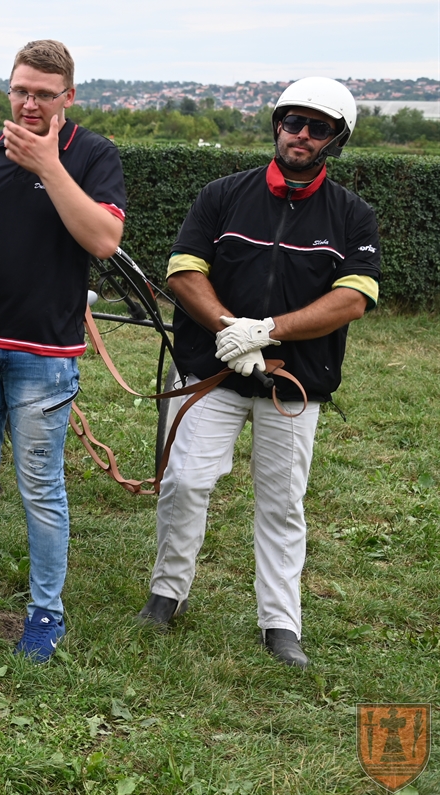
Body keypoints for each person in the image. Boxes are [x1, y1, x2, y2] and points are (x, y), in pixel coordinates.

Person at [138, 77, 379, 668]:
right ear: (277, 125)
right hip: (213, 372)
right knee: (185, 482)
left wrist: (266, 331)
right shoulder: (222, 195)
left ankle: (280, 623)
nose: (301, 134)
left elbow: (352, 299)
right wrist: (230, 331)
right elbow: (184, 272)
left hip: (293, 385)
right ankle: (167, 592)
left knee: (281, 504)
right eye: (293, 122)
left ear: (335, 140)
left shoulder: (353, 215)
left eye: (317, 128)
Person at [0, 40, 127, 662]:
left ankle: (45, 612)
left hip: (45, 354)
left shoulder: (93, 155)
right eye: (20, 91)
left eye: (44, 94)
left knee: (40, 487)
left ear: (69, 96)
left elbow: (103, 239)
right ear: (8, 90)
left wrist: (47, 166)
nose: (30, 103)